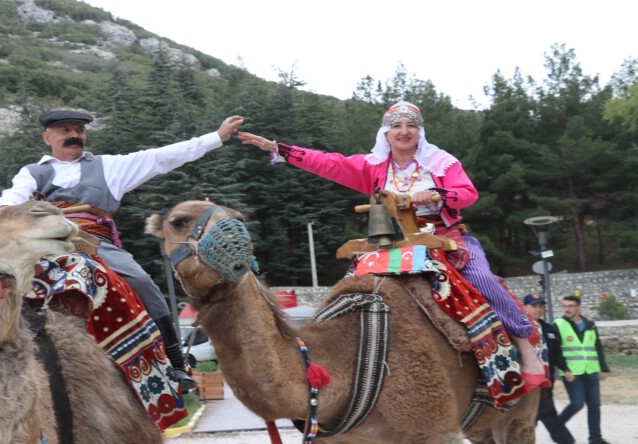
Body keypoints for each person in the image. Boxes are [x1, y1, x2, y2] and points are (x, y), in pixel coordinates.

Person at [238, 101, 545, 387]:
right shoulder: (373, 166)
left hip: (444, 236)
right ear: (386, 133)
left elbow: (468, 194)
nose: (403, 131)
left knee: (481, 278)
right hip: (392, 241)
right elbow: (329, 163)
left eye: (410, 125)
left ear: (419, 132)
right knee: (350, 285)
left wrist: (437, 194)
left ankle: (523, 344)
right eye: (396, 126)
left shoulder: (441, 162)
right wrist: (279, 148)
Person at [0, 110, 245, 391]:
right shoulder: (32, 173)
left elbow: (160, 157)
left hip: (95, 241)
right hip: (47, 244)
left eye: (79, 130)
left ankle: (175, 363)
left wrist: (215, 137)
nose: (74, 135)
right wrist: (1, 213)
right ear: (47, 137)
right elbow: (9, 201)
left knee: (141, 281)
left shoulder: (110, 166)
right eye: (65, 130)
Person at [555, 295, 610, 444]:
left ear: (579, 307)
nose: (567, 309)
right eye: (565, 306)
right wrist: (563, 369)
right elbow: (555, 350)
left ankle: (595, 439)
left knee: (595, 405)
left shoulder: (590, 324)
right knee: (577, 404)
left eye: (570, 306)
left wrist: (603, 368)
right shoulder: (559, 324)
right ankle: (556, 428)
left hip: (591, 370)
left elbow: (597, 346)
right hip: (572, 372)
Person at [524, 293, 576, 444]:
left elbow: (557, 353)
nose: (538, 310)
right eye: (534, 306)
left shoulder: (549, 329)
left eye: (541, 306)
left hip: (547, 381)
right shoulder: (518, 329)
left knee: (533, 416)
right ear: (525, 308)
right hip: (527, 383)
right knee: (544, 414)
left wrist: (565, 369)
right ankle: (566, 441)